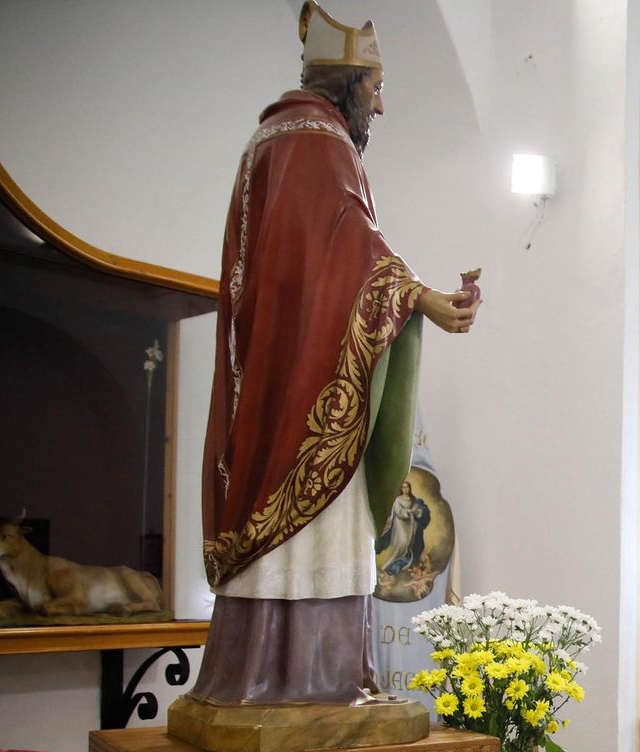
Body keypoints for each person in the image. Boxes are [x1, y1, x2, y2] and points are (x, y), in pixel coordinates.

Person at [188, 2, 479, 711]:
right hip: (311, 377)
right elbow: (348, 246)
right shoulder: (320, 143)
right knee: (321, 514)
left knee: (296, 517)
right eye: (374, 87)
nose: (380, 104)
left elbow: (320, 257)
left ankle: (270, 676)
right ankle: (313, 683)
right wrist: (421, 298)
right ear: (347, 82)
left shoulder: (272, 139)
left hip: (278, 368)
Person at [375, 480, 429, 576]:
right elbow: (398, 511)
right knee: (401, 543)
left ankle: (399, 564)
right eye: (403, 487)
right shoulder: (398, 499)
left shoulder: (412, 499)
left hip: (409, 525)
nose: (405, 489)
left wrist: (417, 511)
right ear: (401, 489)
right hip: (399, 524)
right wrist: (409, 511)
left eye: (407, 487)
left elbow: (416, 511)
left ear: (409, 488)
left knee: (407, 545)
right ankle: (388, 565)